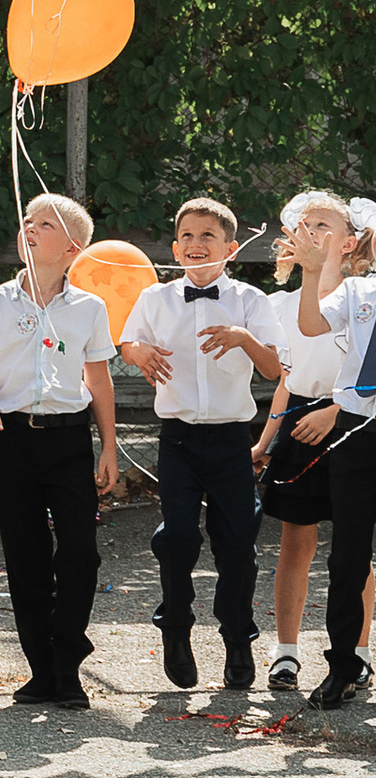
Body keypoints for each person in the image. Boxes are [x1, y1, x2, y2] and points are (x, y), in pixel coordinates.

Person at [117, 196, 281, 692]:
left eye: (207, 235)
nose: (195, 244)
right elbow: (127, 344)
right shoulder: (156, 299)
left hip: (232, 439)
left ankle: (237, 640)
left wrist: (243, 339)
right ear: (174, 246)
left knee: (237, 547)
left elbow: (274, 368)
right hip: (179, 438)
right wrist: (136, 349)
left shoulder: (252, 301)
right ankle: (175, 630)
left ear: (231, 248)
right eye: (186, 236)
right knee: (179, 538)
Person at [0, 193, 119, 709]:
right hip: (12, 439)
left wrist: (109, 447)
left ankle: (68, 659)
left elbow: (98, 379)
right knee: (25, 554)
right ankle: (42, 670)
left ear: (72, 247)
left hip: (69, 438)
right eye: (26, 221)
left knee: (81, 552)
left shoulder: (90, 309)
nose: (28, 228)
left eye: (44, 224)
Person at [255, 194, 376, 694]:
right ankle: (323, 659)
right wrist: (267, 439)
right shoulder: (354, 294)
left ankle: (358, 654)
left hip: (344, 418)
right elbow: (303, 346)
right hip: (342, 425)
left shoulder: (359, 286)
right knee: (333, 549)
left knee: (357, 551)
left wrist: (336, 409)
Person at [293, 203, 376, 708]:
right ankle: (343, 665)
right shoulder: (358, 291)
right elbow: (310, 326)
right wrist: (308, 271)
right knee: (347, 553)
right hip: (358, 427)